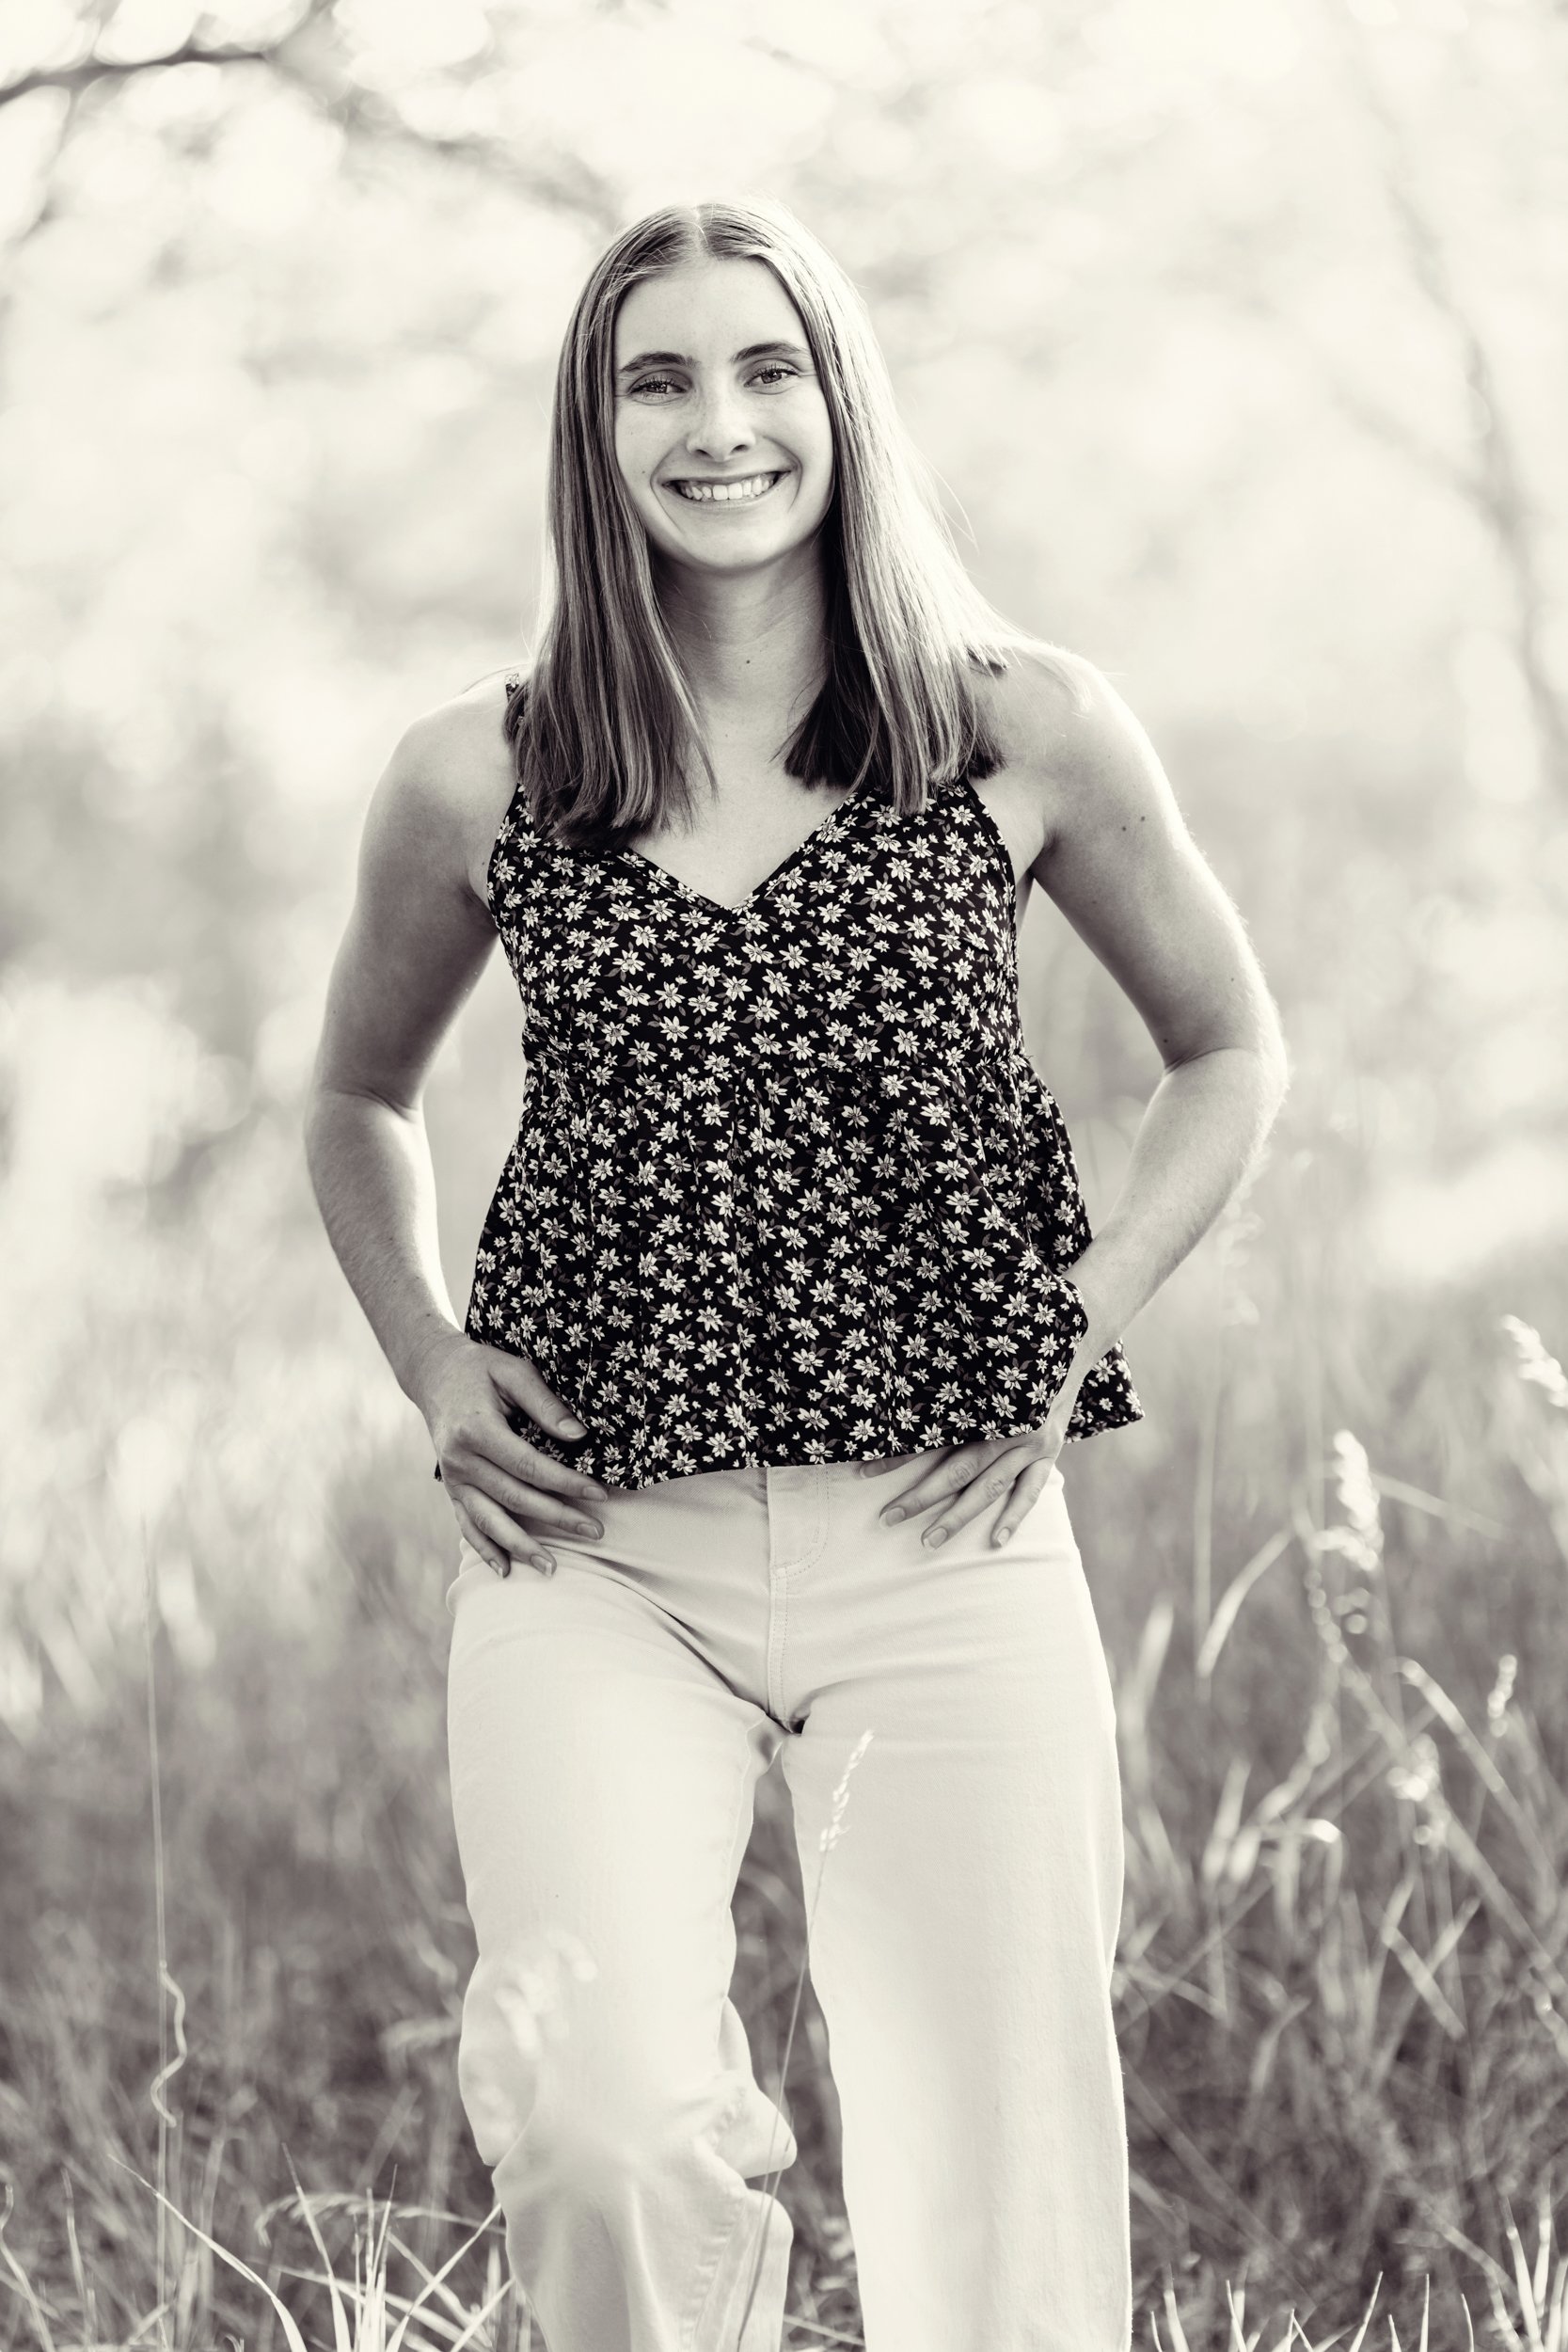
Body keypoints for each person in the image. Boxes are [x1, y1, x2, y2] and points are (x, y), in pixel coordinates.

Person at [304, 197, 1288, 2352]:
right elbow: (355, 1101)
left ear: (842, 397)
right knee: (590, 2130)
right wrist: (428, 1361)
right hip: (595, 1557)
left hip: (947, 1541)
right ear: (595, 429)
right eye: (658, 375)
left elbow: (1230, 1051)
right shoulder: (483, 771)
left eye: (768, 368)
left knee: (1000, 2181)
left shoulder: (1017, 725)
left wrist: (1077, 1322)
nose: (720, 421)